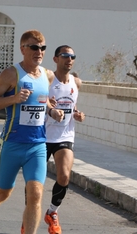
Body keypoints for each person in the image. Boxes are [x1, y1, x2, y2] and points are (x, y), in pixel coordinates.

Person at [0, 30, 64, 234]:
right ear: (23, 49)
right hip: (13, 144)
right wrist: (12, 99)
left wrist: (52, 110)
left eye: (42, 48)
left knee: (35, 193)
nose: (39, 51)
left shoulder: (48, 75)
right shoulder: (11, 74)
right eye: (34, 47)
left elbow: (43, 100)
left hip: (37, 145)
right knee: (3, 192)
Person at [43, 45, 85, 234]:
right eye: (65, 56)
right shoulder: (48, 79)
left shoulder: (76, 82)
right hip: (42, 136)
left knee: (64, 176)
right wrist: (49, 109)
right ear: (55, 59)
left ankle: (52, 212)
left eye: (72, 56)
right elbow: (39, 102)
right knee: (35, 182)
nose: (69, 59)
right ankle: (30, 216)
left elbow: (72, 105)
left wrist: (77, 114)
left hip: (65, 136)